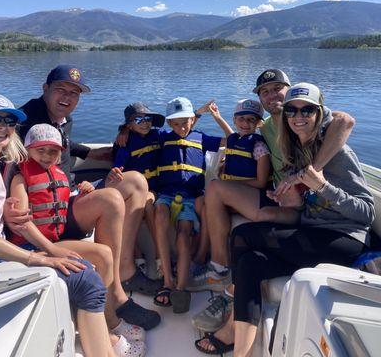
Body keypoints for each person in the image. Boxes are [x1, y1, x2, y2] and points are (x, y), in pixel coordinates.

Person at [0, 94, 117, 357]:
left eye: (9, 121)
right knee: (87, 280)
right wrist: (41, 259)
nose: (3, 126)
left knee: (85, 269)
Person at [194, 69, 356, 353]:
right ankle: (235, 322)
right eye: (264, 92)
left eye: (277, 88)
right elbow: (240, 137)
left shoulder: (311, 122)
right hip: (292, 204)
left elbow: (344, 120)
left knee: (233, 216)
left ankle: (222, 279)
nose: (297, 116)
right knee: (221, 213)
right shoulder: (270, 127)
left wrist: (311, 176)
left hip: (318, 217)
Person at [8, 65, 161, 329]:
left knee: (136, 181)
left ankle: (125, 269)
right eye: (60, 90)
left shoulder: (60, 118)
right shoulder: (24, 123)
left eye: (74, 93)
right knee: (112, 198)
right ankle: (115, 295)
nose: (67, 98)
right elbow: (8, 165)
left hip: (71, 194)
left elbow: (64, 144)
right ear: (45, 90)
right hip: (48, 214)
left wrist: (94, 152)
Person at [6, 123, 146, 354]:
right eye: (40, 150)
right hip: (32, 246)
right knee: (101, 257)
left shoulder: (58, 173)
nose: (47, 156)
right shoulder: (21, 178)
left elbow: (60, 204)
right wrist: (51, 249)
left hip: (55, 239)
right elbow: (22, 223)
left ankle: (106, 316)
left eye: (53, 151)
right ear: (28, 149)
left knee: (105, 254)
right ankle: (109, 323)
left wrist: (82, 193)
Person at [152, 97, 233, 314]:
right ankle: (168, 281)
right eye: (176, 123)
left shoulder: (201, 138)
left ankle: (180, 288)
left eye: (186, 122)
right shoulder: (162, 137)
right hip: (167, 195)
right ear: (169, 124)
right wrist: (123, 130)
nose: (181, 127)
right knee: (159, 213)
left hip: (190, 197)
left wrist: (217, 117)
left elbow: (232, 139)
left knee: (183, 234)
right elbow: (138, 134)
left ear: (192, 120)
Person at [108, 102, 165, 277]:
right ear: (129, 125)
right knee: (131, 206)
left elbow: (182, 128)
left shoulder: (158, 135)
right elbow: (119, 168)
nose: (145, 122)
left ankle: (160, 256)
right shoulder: (125, 143)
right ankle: (137, 254)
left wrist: (198, 114)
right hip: (136, 191)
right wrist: (115, 171)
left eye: (148, 118)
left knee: (148, 204)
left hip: (156, 189)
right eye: (138, 119)